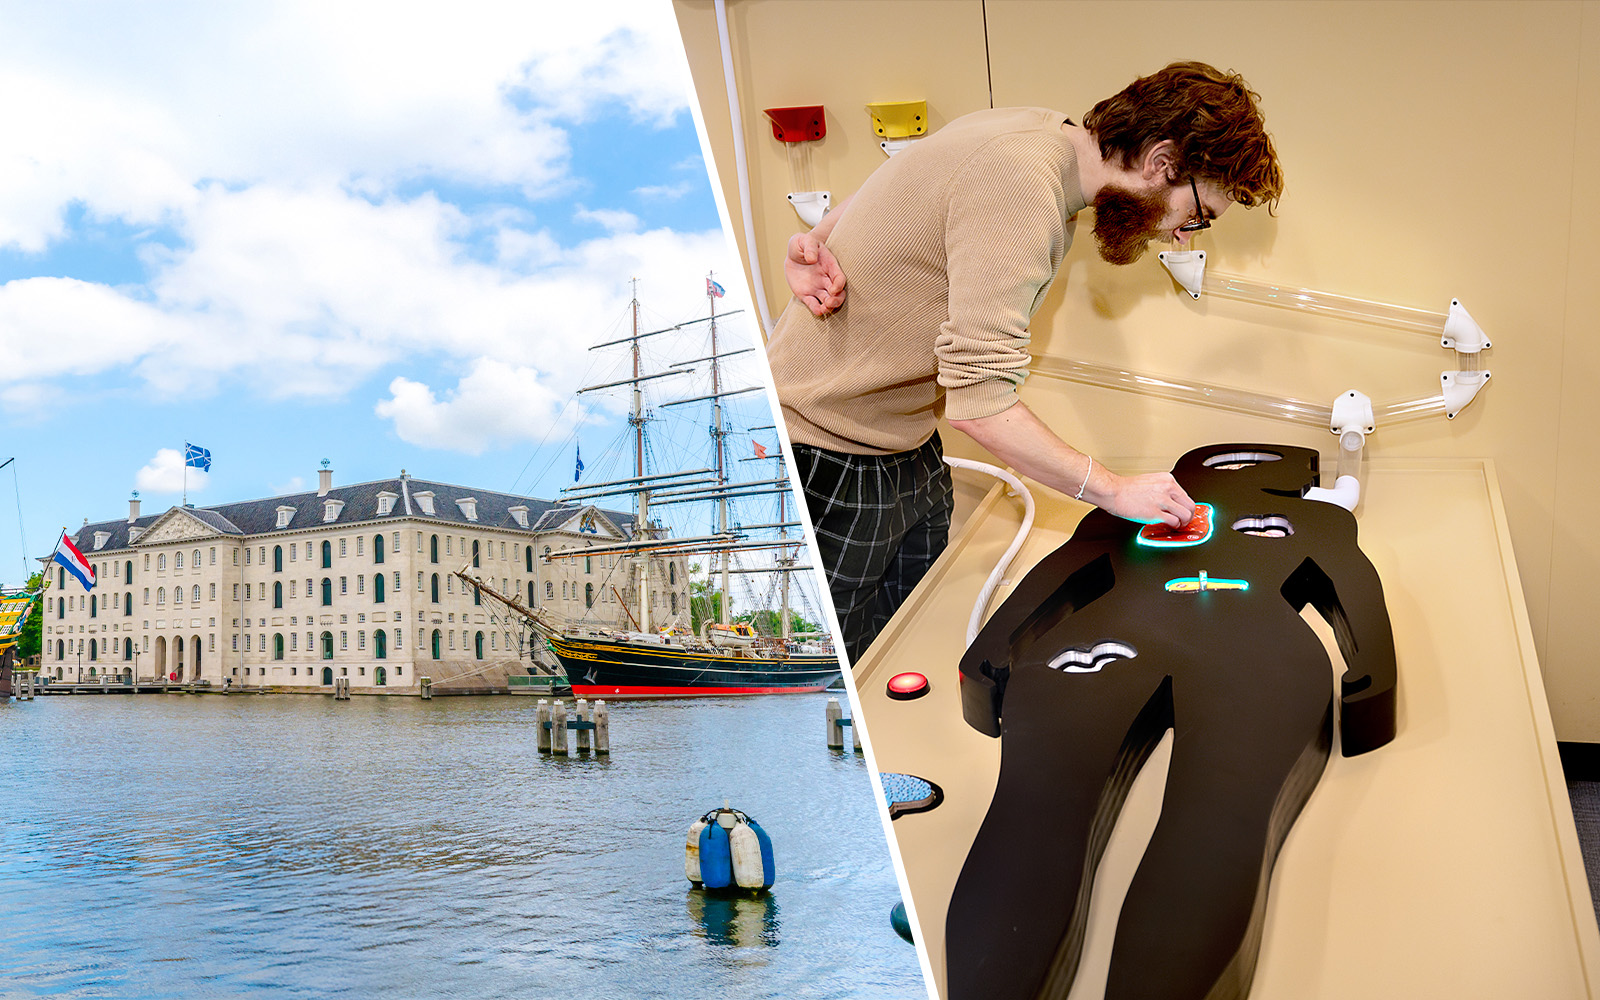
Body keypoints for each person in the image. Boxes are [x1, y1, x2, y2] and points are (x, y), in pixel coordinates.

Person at [766, 62, 1284, 664]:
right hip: (826, 455)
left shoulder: (1033, 130)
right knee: (843, 671)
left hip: (905, 440)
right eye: (1197, 216)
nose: (1183, 237)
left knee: (906, 646)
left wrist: (820, 236)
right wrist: (1111, 489)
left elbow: (905, 172)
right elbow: (980, 401)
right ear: (1161, 162)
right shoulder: (1024, 187)